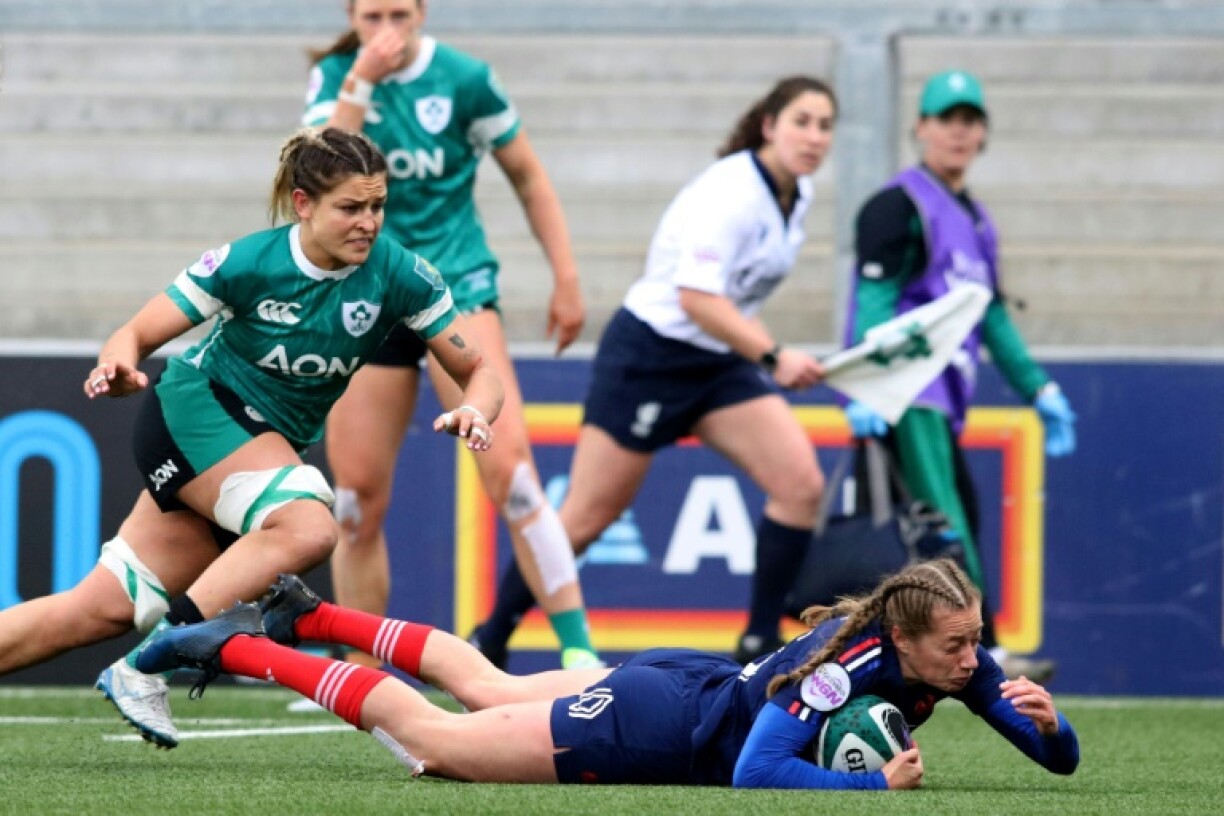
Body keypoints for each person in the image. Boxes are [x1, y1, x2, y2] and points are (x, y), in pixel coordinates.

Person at [0, 126, 504, 750]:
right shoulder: (247, 262)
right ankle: (145, 666)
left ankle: (145, 651)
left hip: (252, 445)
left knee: (101, 608)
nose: (369, 222)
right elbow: (134, 334)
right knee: (308, 526)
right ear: (303, 204)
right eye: (351, 207)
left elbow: (479, 371)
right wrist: (119, 365)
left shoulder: (401, 273)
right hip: (195, 411)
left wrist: (475, 410)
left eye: (377, 205)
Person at [136, 558, 1080, 788]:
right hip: (658, 726)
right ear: (905, 641)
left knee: (491, 687)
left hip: (688, 682)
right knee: (439, 741)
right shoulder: (844, 670)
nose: (975, 661)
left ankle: (309, 614)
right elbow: (758, 770)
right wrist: (873, 790)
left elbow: (1058, 761)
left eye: (977, 642)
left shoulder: (950, 655)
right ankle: (228, 646)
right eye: (957, 646)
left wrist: (1050, 725)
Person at [471, 76, 835, 668]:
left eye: (825, 126)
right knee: (585, 519)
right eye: (802, 122)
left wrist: (761, 352)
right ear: (769, 125)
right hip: (651, 356)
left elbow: (728, 301)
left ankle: (759, 643)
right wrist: (773, 356)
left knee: (801, 486)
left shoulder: (800, 194)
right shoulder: (732, 192)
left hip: (717, 359)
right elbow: (696, 297)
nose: (814, 137)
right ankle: (491, 636)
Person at [302, 0, 597, 670]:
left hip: (455, 289)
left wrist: (566, 276)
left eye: (399, 14)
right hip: (366, 293)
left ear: (422, 12)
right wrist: (362, 81)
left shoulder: (465, 79)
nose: (387, 30)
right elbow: (319, 174)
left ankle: (579, 652)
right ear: (352, 15)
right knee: (355, 501)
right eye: (372, 16)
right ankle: (363, 674)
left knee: (513, 476)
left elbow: (528, 175)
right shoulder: (338, 78)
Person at [842, 70, 1078, 682]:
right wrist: (868, 383)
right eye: (946, 118)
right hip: (908, 395)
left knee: (954, 520)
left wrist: (1039, 388)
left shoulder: (975, 220)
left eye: (970, 120)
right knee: (946, 525)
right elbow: (872, 302)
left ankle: (938, 648)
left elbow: (990, 315)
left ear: (983, 134)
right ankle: (983, 650)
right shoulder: (898, 205)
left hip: (943, 399)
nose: (958, 131)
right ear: (920, 127)